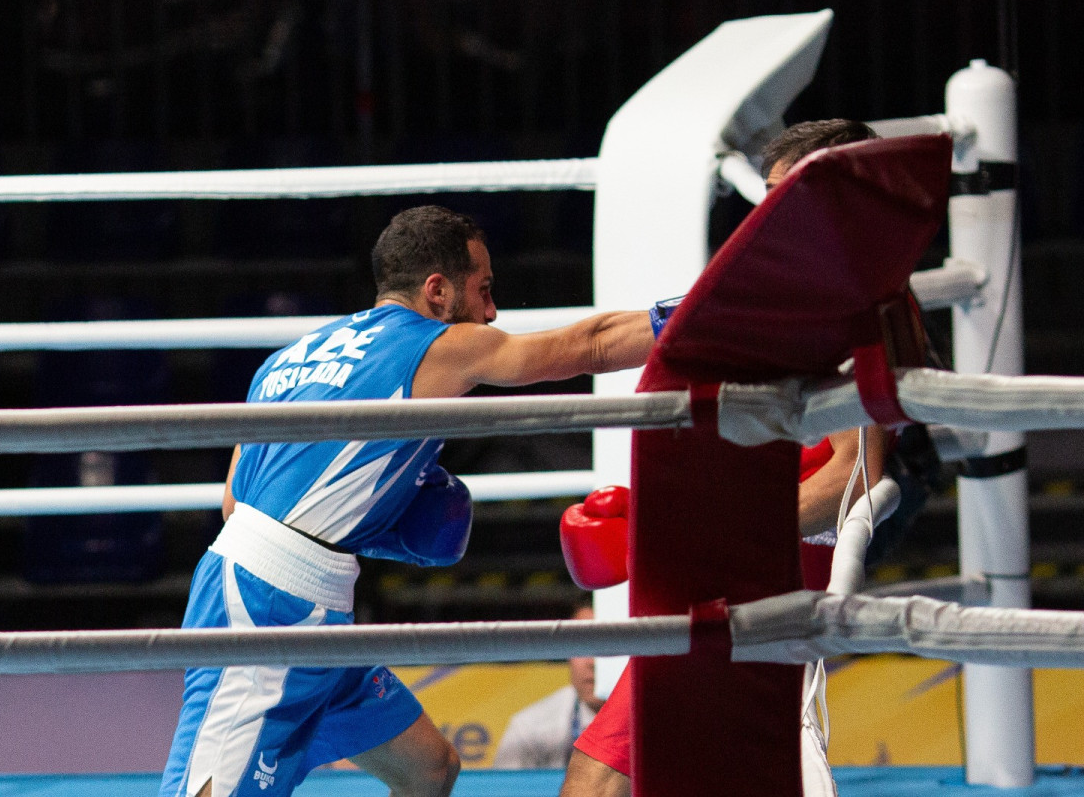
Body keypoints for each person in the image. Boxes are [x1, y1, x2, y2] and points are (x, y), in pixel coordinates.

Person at [159, 204, 660, 797]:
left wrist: (366, 522)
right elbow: (594, 346)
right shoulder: (437, 345)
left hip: (301, 594)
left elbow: (233, 505)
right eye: (484, 290)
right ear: (437, 291)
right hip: (265, 606)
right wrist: (699, 316)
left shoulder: (289, 359)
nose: (492, 311)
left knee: (428, 768)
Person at [556, 119, 893, 797]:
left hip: (774, 589)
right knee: (601, 777)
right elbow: (608, 338)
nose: (767, 212)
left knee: (613, 779)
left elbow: (857, 478)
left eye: (786, 193)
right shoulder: (753, 295)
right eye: (767, 193)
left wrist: (719, 533)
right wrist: (491, 364)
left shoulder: (866, 306)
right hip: (710, 581)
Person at [493, 603, 605, 770]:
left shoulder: (657, 726)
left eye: (608, 646)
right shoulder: (528, 729)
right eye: (583, 644)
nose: (592, 662)